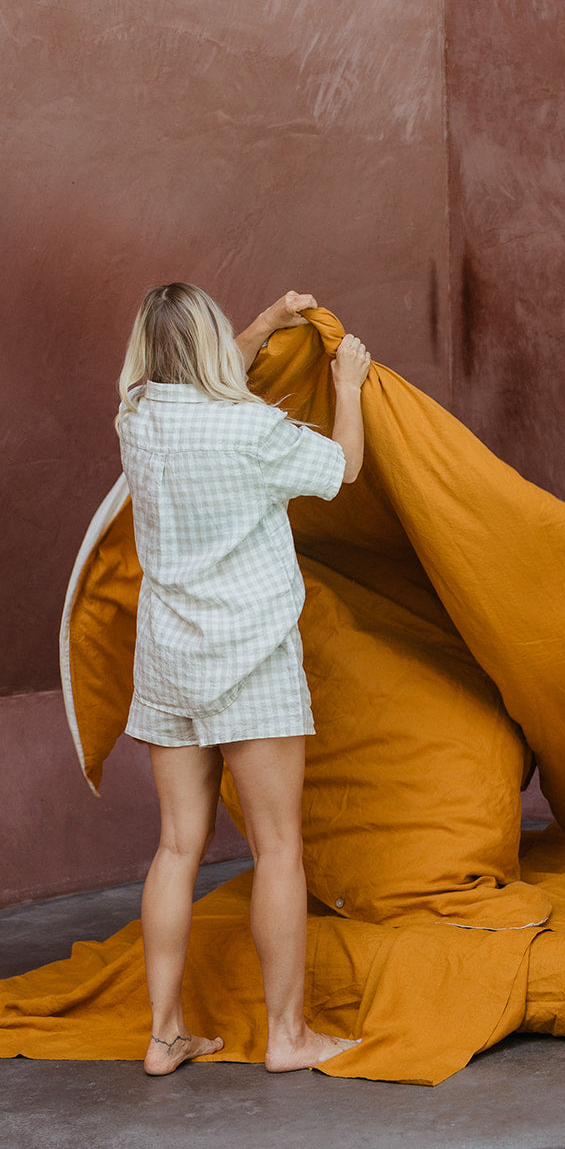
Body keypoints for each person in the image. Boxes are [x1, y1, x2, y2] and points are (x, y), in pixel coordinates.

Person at [114, 283, 370, 1075]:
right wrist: (348, 386)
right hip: (251, 658)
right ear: (209, 344)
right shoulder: (253, 430)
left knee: (176, 845)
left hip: (168, 657)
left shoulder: (136, 415)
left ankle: (163, 1037)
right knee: (278, 849)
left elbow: (194, 370)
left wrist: (268, 321)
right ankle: (289, 1036)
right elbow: (345, 467)